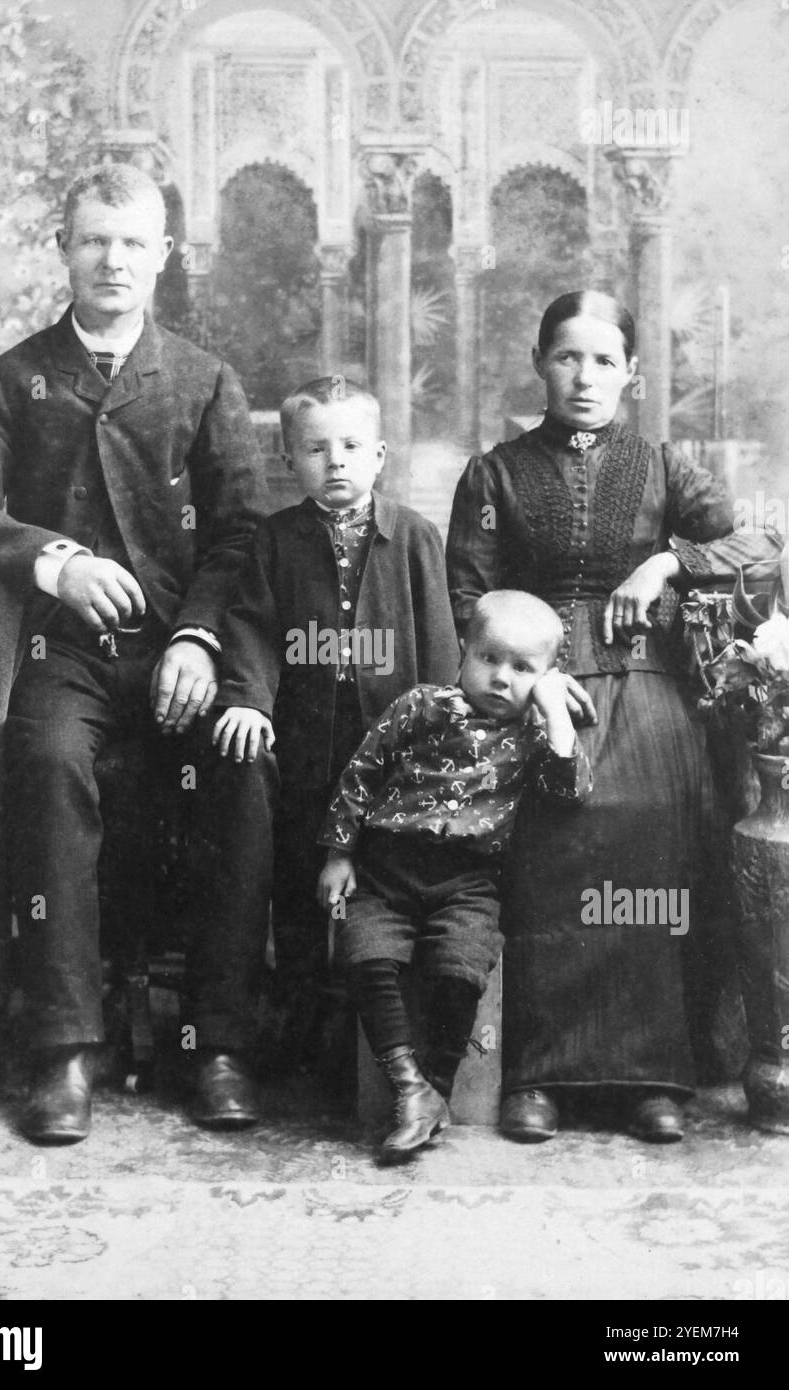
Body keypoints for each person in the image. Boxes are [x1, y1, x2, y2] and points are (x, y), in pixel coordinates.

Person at [0, 162, 273, 1143]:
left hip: (182, 649)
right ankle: (67, 1047)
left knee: (238, 768)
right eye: (94, 241)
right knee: (46, 757)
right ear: (64, 251)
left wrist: (199, 636)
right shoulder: (11, 379)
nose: (113, 261)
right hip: (70, 653)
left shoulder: (203, 382)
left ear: (162, 256)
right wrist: (52, 560)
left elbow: (241, 534)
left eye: (133, 243)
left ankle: (218, 1043)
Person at [446, 289, 784, 1144]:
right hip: (542, 691)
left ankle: (651, 1077)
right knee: (554, 851)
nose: (585, 376)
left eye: (603, 361)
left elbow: (762, 549)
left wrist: (667, 562)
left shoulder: (664, 468)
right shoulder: (496, 474)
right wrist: (525, 682)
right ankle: (540, 1076)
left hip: (653, 688)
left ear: (630, 375)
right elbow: (464, 597)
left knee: (655, 845)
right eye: (568, 357)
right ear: (540, 366)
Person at [210, 376, 460, 1082]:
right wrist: (250, 701)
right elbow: (252, 628)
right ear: (289, 462)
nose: (337, 462)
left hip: (386, 743)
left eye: (352, 446)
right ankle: (297, 1016)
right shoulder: (276, 540)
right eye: (316, 449)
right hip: (306, 740)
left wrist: (441, 733)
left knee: (375, 881)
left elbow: (439, 643)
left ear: (380, 455)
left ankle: (367, 1036)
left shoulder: (413, 536)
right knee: (297, 878)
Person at [316, 590, 593, 1161]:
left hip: (469, 880)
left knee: (461, 965)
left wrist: (554, 709)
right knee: (365, 950)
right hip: (388, 868)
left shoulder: (533, 735)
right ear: (464, 652)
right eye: (489, 658)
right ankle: (407, 1086)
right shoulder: (421, 706)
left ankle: (436, 1088)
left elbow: (570, 793)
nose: (500, 678)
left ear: (546, 676)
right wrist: (339, 855)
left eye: (522, 669)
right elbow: (361, 775)